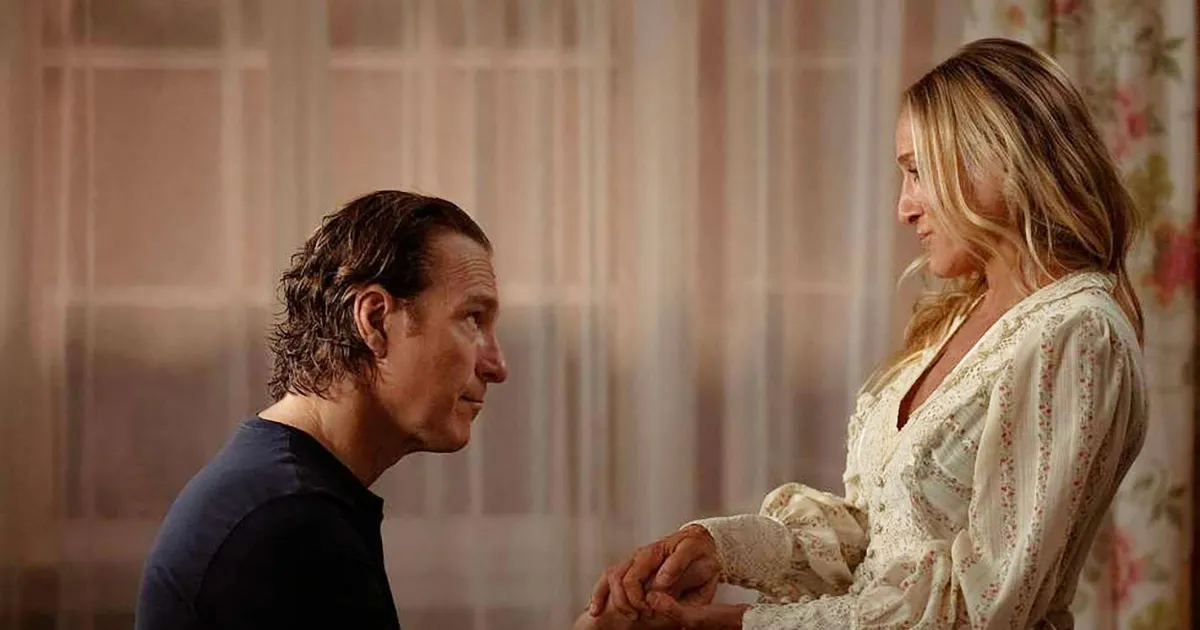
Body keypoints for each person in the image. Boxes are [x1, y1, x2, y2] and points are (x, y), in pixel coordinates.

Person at [581, 37, 1149, 629]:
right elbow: (878, 545)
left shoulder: (1078, 334)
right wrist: (719, 548)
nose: (904, 209)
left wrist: (731, 624)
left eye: (917, 171)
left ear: (1000, 158)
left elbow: (978, 612)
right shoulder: (963, 318)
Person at [135, 190, 509, 630]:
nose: (497, 366)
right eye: (473, 318)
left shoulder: (277, 494)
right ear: (374, 320)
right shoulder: (291, 525)